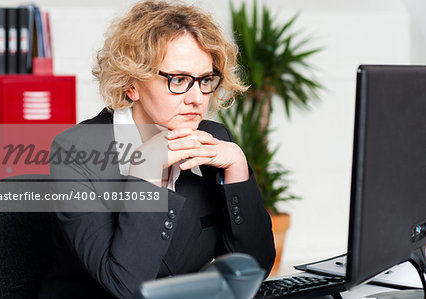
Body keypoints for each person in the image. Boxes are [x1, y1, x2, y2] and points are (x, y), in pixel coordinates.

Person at [39, 1, 275, 298]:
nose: (197, 99)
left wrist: (238, 169)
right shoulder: (75, 151)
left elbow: (255, 268)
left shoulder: (213, 139)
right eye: (178, 80)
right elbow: (126, 287)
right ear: (132, 84)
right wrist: (147, 171)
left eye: (205, 80)